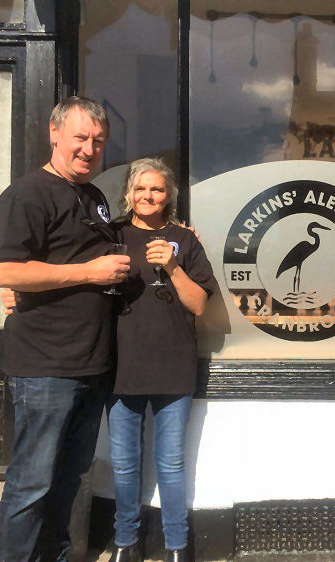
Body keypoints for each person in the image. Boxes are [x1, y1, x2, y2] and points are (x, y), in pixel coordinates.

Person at [0, 96, 130, 561]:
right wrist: (88, 273)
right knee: (31, 483)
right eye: (80, 137)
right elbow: (4, 271)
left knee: (71, 480)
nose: (89, 149)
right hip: (45, 365)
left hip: (91, 364)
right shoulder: (27, 194)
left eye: (98, 141)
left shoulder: (93, 197)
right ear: (54, 134)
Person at [106, 158, 216, 562]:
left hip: (173, 365)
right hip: (121, 365)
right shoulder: (112, 235)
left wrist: (171, 266)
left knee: (170, 464)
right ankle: (125, 542)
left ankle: (176, 545)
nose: (148, 195)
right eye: (140, 188)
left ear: (168, 196)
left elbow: (199, 305)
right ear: (129, 193)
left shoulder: (184, 240)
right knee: (124, 464)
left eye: (156, 189)